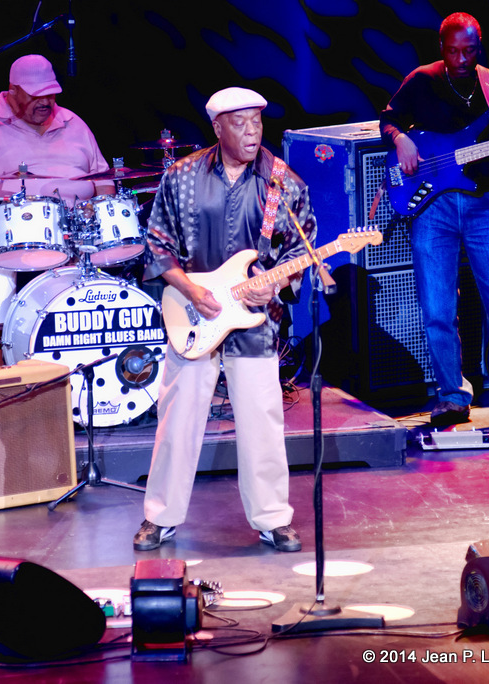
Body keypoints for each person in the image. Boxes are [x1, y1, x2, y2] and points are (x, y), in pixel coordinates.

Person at [133, 87, 317, 553]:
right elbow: (157, 245)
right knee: (178, 419)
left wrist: (274, 284)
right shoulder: (183, 176)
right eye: (241, 122)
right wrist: (192, 290)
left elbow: (302, 249)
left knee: (263, 421)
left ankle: (273, 519)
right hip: (193, 314)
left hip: (256, 321)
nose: (253, 130)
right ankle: (160, 518)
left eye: (258, 120)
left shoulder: (282, 182)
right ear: (218, 127)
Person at [380, 12, 489, 427]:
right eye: (453, 51)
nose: (461, 59)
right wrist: (401, 138)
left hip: (485, 205)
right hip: (432, 207)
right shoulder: (422, 80)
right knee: (437, 305)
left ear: (480, 47)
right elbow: (387, 120)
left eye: (469, 50)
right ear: (441, 48)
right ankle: (450, 396)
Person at [0, 54, 114, 225]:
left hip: (78, 241)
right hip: (2, 243)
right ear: (13, 91)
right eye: (35, 96)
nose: (45, 102)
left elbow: (104, 182)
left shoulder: (74, 123)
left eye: (50, 94)